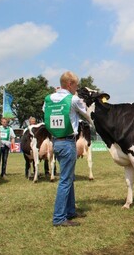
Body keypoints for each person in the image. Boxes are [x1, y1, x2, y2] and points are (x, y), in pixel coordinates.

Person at [44, 71, 90, 227]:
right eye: (76, 85)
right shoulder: (73, 99)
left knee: (68, 177)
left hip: (56, 142)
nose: (76, 88)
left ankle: (70, 211)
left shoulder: (48, 99)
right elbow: (87, 113)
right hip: (69, 142)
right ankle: (59, 217)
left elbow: (46, 112)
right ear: (70, 84)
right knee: (65, 180)